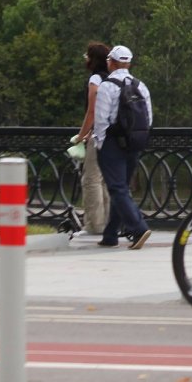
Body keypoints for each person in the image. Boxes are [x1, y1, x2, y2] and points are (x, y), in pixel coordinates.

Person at [92, 44, 154, 250]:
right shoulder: (141, 86)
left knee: (117, 188)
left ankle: (138, 228)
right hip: (134, 143)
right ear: (129, 63)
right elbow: (148, 118)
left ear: (112, 62)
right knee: (122, 189)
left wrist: (100, 144)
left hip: (112, 143)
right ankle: (111, 234)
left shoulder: (107, 87)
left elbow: (101, 120)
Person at [71, 42, 112, 238]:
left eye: (87, 56)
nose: (85, 59)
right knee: (104, 180)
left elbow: (92, 111)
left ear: (92, 59)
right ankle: (107, 222)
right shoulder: (112, 79)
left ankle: (94, 225)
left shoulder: (95, 79)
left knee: (91, 180)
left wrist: (81, 135)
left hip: (99, 136)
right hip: (113, 135)